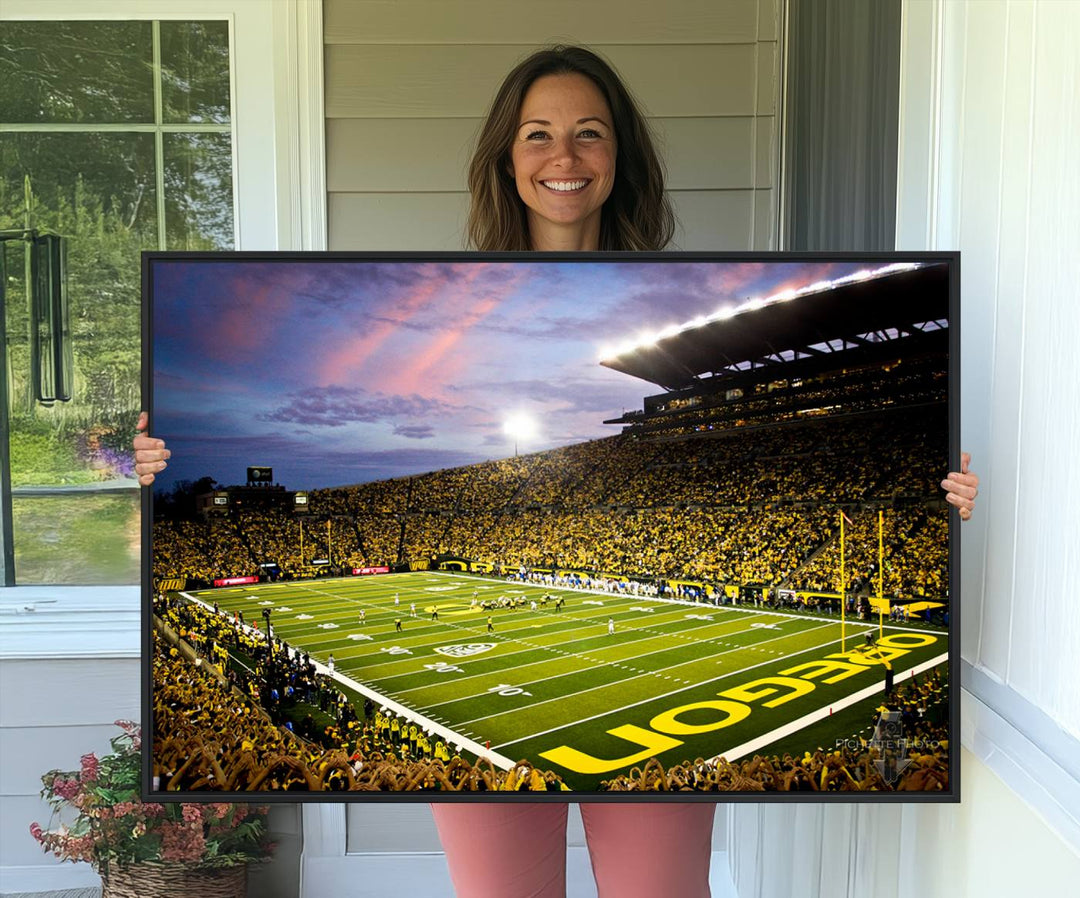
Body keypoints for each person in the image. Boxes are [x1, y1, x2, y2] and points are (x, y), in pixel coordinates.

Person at [134, 43, 979, 898]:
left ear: (621, 158)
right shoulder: (462, 289)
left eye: (589, 134)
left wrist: (941, 493)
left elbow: (939, 457)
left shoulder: (678, 285)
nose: (563, 157)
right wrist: (147, 465)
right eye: (537, 134)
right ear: (506, 157)